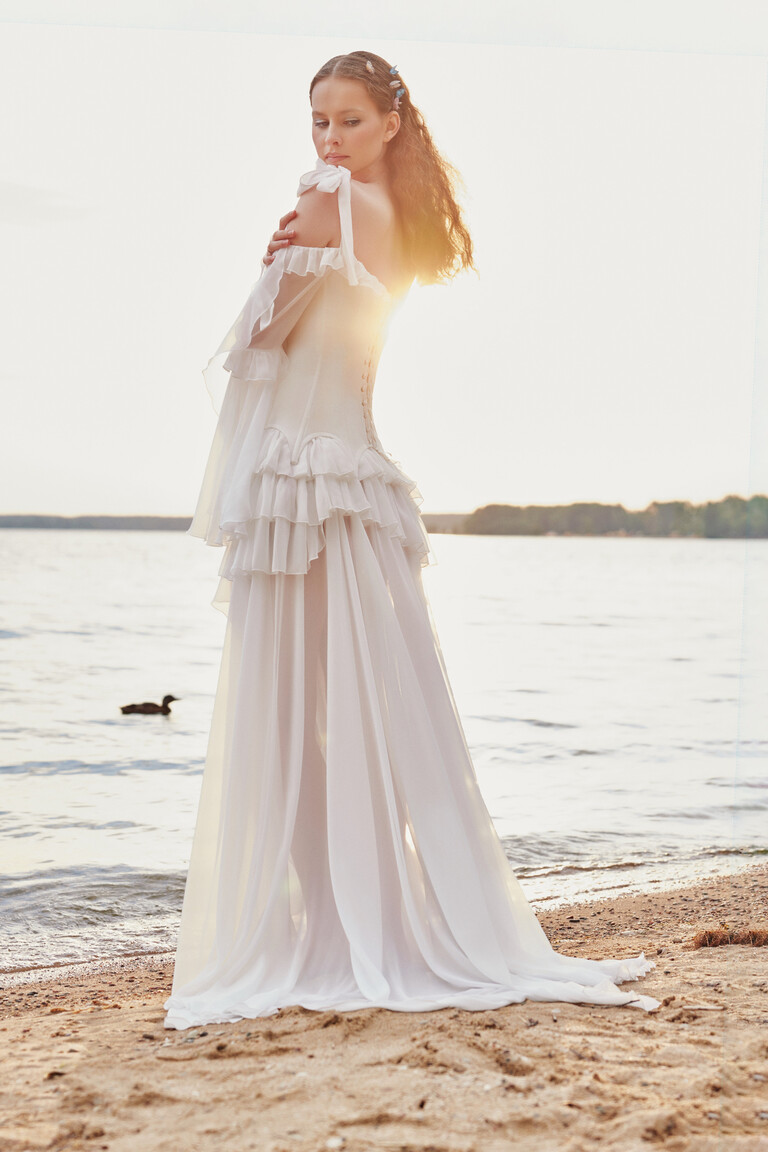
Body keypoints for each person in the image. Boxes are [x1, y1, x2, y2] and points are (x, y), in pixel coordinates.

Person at [164, 51, 659, 1030]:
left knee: (300, 716)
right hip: (355, 483)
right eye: (317, 123)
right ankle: (360, 924)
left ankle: (333, 936)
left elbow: (253, 356)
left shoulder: (325, 206)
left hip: (305, 489)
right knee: (356, 720)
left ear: (392, 121)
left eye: (348, 121)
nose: (328, 142)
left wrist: (270, 270)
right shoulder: (406, 225)